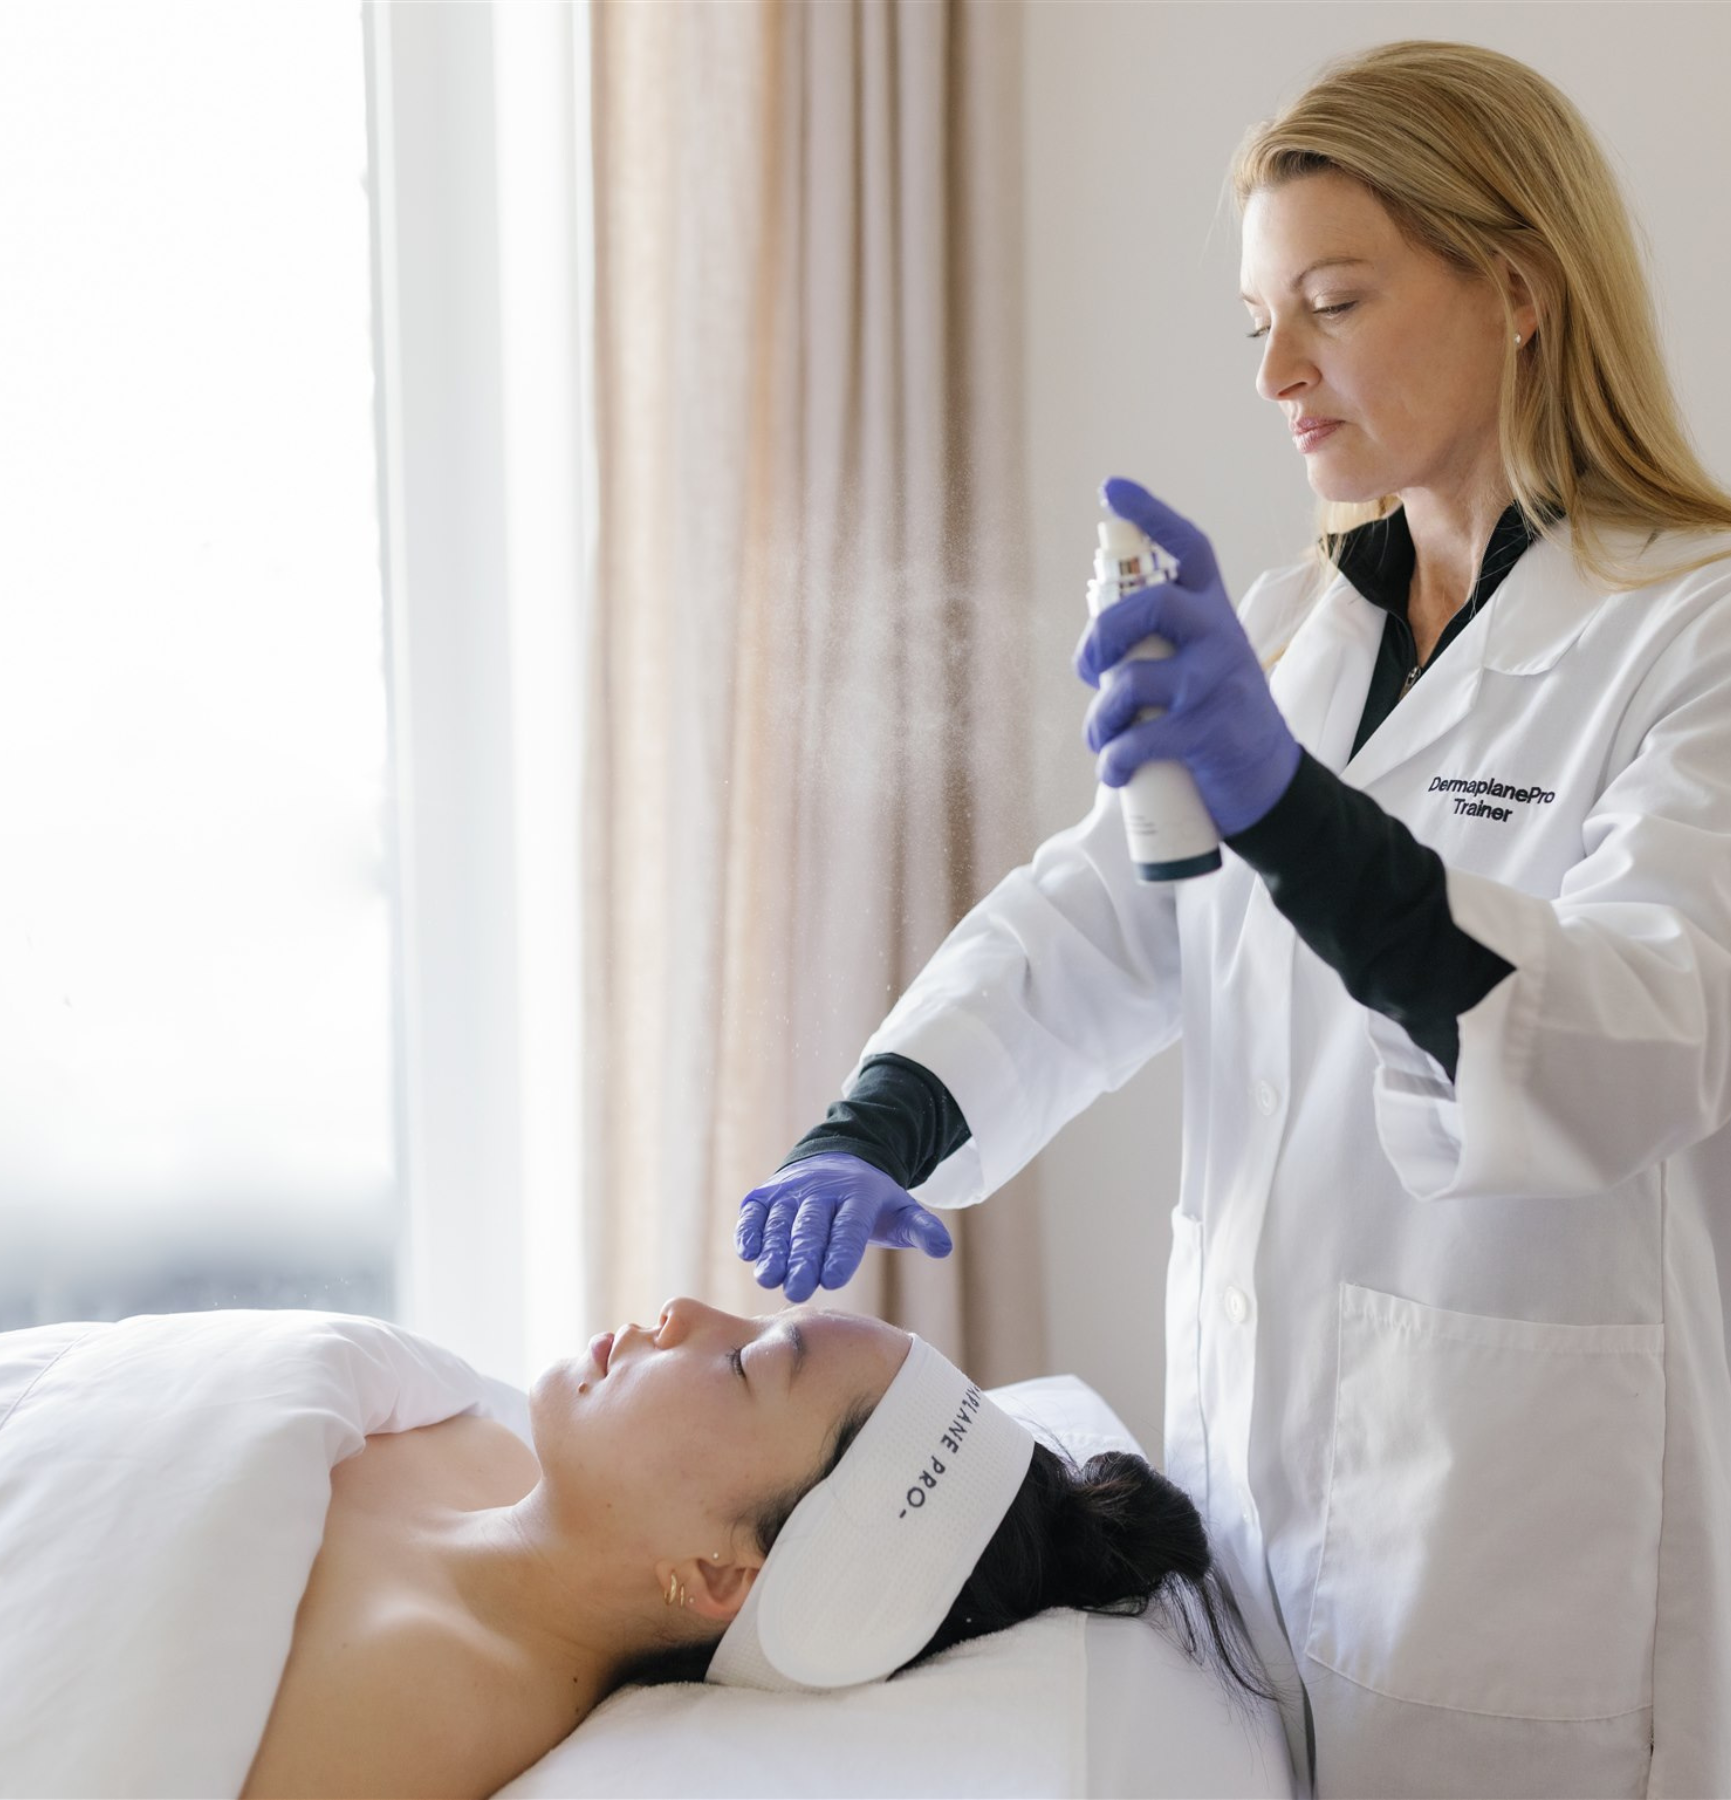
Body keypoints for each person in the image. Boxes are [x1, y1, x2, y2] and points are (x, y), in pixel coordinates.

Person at [734, 39, 1731, 1800]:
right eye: (1258, 317)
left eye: (1332, 302)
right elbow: (1111, 915)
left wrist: (1283, 800)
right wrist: (887, 1116)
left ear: (1518, 285)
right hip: (1258, 1508)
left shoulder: (1688, 636)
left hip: (1530, 1540)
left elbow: (1633, 1035)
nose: (1277, 369)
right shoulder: (1293, 628)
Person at [240, 1297, 1266, 1798]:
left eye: (740, 1363)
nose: (686, 1310)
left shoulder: (413, 1697)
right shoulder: (476, 1439)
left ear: (720, 1573)